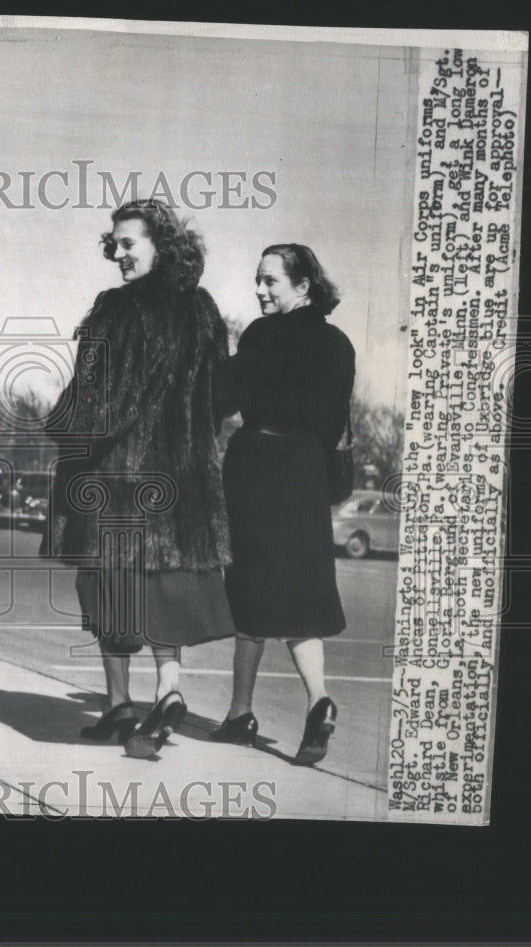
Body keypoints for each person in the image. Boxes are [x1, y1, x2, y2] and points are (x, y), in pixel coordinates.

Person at [44, 200, 235, 760]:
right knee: (160, 588)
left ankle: (119, 703)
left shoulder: (118, 309)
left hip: (118, 474)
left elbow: (101, 401)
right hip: (183, 476)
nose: (119, 253)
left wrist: (60, 426)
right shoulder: (204, 311)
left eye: (130, 243)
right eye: (115, 243)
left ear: (161, 245)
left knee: (107, 589)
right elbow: (216, 400)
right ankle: (167, 689)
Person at [211, 244, 355, 764]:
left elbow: (221, 398)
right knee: (301, 599)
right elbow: (335, 424)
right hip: (307, 473)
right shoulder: (339, 344)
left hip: (257, 467)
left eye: (270, 281)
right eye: (258, 280)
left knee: (248, 594)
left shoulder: (261, 334)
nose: (260, 290)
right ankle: (317, 701)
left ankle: (241, 714)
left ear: (303, 285)